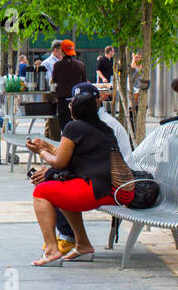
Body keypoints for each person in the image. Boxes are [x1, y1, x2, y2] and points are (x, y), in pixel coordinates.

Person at [26, 87, 133, 266]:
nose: (68, 108)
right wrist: (48, 148)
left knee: (41, 191)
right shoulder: (104, 127)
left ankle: (52, 250)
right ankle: (83, 245)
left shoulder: (73, 127)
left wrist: (41, 151)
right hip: (115, 189)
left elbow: (59, 162)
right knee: (63, 188)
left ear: (75, 110)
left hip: (99, 189)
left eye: (70, 105)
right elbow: (71, 157)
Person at [48, 40, 86, 141]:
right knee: (77, 128)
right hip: (77, 100)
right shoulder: (80, 65)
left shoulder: (57, 65)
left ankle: (66, 149)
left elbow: (54, 81)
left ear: (63, 52)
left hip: (63, 101)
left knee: (65, 129)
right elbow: (84, 82)